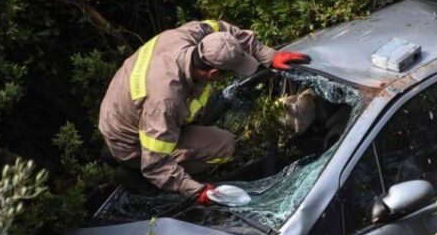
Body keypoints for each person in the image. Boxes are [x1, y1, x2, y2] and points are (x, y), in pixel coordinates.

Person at [98, 19, 309, 204]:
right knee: (223, 145)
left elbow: (224, 30)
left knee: (205, 99)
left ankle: (145, 150)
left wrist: (267, 55)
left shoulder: (191, 36)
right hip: (132, 141)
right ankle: (135, 172)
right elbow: (155, 162)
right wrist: (196, 192)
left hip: (124, 110)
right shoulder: (165, 101)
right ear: (214, 72)